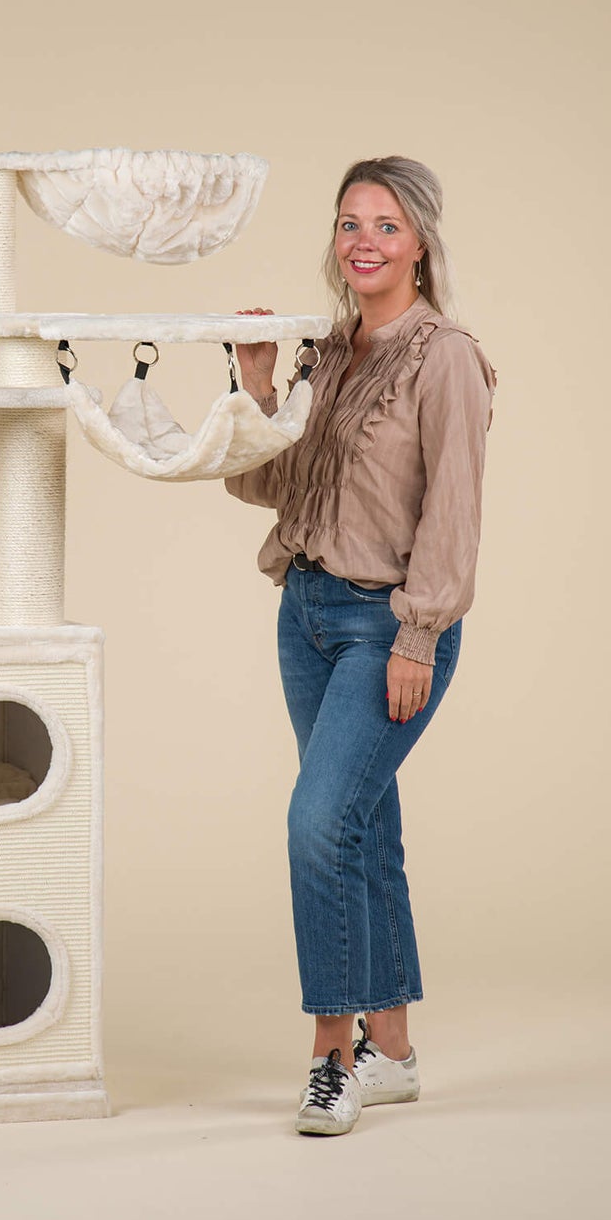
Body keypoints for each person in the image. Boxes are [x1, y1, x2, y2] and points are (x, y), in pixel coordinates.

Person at [225, 156, 496, 1136]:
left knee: (318, 824)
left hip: (388, 622)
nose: (363, 241)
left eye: (385, 225)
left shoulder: (445, 356)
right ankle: (396, 1054)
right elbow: (269, 484)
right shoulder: (329, 352)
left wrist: (419, 632)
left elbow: (453, 506)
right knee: (362, 826)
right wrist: (260, 388)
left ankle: (330, 1059)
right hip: (303, 608)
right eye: (349, 223)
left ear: (418, 242)